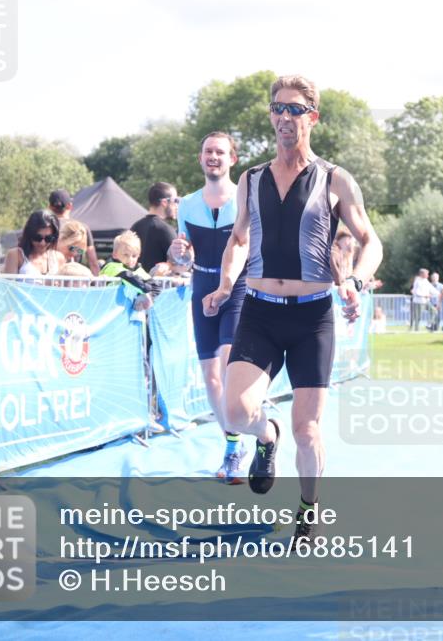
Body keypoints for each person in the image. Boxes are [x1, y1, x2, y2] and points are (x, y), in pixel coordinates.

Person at [201, 75, 382, 543]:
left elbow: (370, 241)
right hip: (260, 311)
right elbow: (240, 238)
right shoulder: (251, 179)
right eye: (278, 109)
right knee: (235, 412)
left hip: (311, 318)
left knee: (309, 430)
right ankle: (266, 436)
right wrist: (225, 284)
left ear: (312, 118)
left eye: (296, 110)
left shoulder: (334, 179)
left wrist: (357, 281)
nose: (285, 117)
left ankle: (308, 507)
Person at [169, 131, 249, 482]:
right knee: (210, 377)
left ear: (233, 159)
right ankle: (232, 446)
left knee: (229, 363)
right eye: (207, 152)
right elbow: (184, 258)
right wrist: (179, 255)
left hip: (239, 287)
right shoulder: (185, 204)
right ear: (200, 159)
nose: (213, 156)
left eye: (220, 151)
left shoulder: (246, 199)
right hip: (201, 284)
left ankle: (242, 436)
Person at [49, 189, 101, 275]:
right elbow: (93, 262)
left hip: (52, 277)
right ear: (69, 206)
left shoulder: (45, 228)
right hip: (75, 278)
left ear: (50, 207)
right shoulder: (82, 228)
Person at [131, 182, 179, 273]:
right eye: (175, 200)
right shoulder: (165, 230)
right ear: (164, 202)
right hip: (159, 286)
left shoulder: (135, 227)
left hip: (136, 285)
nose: (177, 205)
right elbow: (179, 263)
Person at [3, 210, 64, 275]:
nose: (42, 243)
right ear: (29, 234)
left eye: (48, 238)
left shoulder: (58, 258)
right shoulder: (16, 255)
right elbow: (9, 284)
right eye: (37, 238)